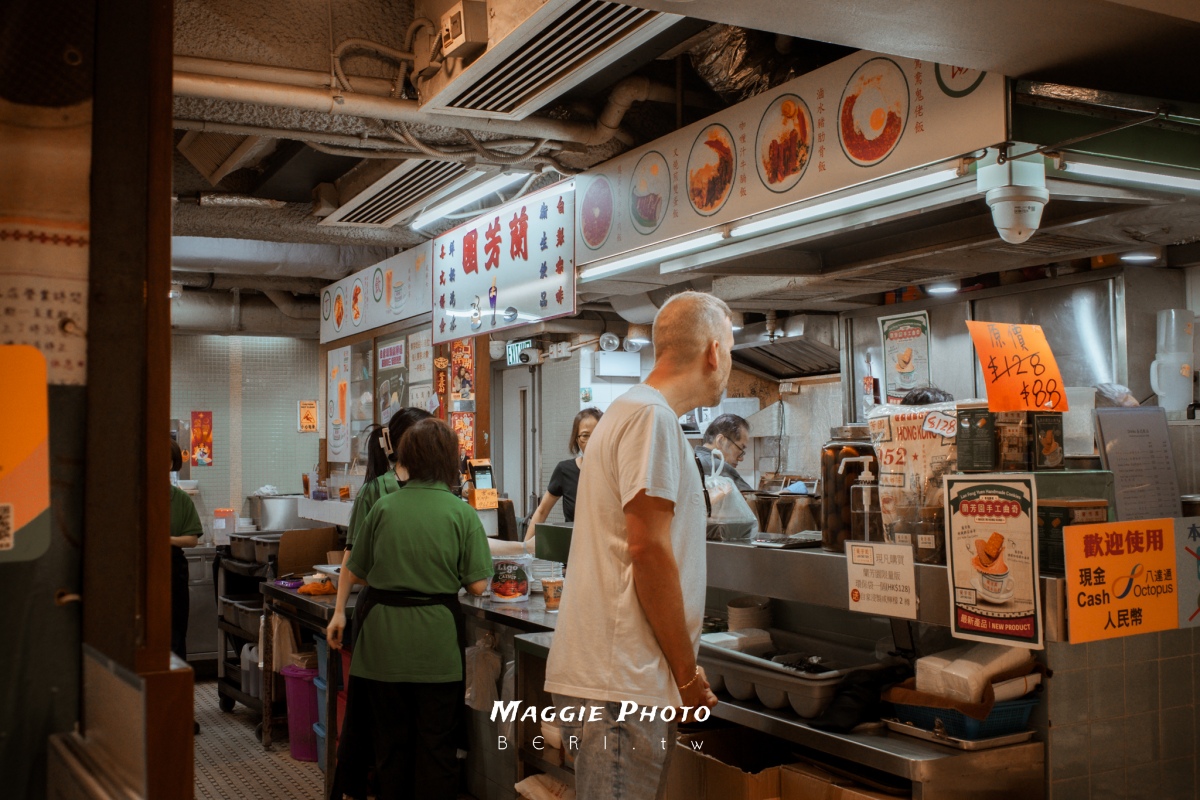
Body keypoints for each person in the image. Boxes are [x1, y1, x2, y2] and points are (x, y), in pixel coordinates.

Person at [544, 291, 729, 799]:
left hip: (617, 680)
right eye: (730, 350)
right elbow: (648, 551)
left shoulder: (630, 411)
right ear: (713, 351)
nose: (729, 364)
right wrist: (687, 677)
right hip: (621, 682)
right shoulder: (651, 418)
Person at [326, 418, 493, 800]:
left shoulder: (384, 508)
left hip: (382, 644)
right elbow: (478, 584)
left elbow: (358, 571)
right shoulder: (461, 513)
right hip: (435, 647)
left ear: (406, 458)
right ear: (449, 461)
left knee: (390, 749)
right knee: (436, 749)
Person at [524, 407, 603, 538]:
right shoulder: (565, 470)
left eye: (597, 434)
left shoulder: (616, 471)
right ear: (577, 439)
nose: (591, 441)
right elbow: (542, 511)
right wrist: (524, 549)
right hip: (573, 550)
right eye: (585, 436)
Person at [169, 440, 202, 734]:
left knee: (176, 641)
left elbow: (192, 539)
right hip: (143, 569)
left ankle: (179, 712)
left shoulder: (180, 500)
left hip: (173, 569)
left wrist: (165, 540)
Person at [694, 413, 753, 492]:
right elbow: (754, 501)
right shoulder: (719, 466)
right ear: (721, 441)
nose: (741, 458)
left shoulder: (691, 458)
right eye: (740, 448)